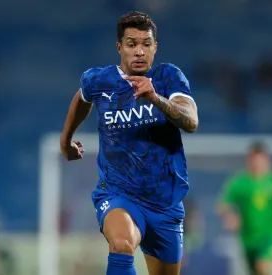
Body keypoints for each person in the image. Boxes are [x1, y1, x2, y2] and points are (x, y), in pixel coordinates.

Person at [60, 11, 199, 275]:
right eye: (132, 44)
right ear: (119, 47)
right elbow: (82, 98)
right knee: (122, 244)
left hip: (164, 202)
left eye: (146, 44)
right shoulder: (100, 80)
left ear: (155, 47)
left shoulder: (168, 78)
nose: (139, 51)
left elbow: (191, 121)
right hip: (118, 194)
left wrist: (156, 98)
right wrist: (65, 140)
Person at [216, 142, 272, 275]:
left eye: (260, 160)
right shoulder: (240, 182)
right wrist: (230, 216)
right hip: (248, 238)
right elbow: (222, 204)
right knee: (255, 271)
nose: (257, 164)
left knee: (263, 266)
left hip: (270, 235)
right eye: (254, 160)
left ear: (267, 160)